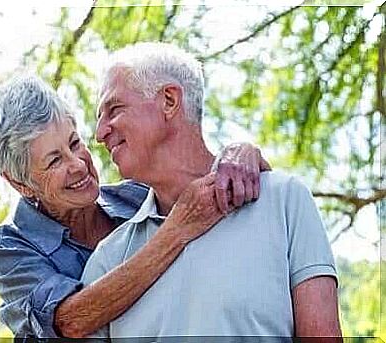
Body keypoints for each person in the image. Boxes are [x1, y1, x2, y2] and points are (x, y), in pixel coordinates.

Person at [0, 75, 270, 338]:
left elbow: (211, 193)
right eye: (54, 160)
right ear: (19, 183)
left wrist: (239, 155)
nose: (78, 165)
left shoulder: (136, 198)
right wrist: (177, 229)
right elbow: (71, 321)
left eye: (75, 143)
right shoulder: (7, 246)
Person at [82, 42, 342, 339]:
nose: (99, 133)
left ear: (169, 100)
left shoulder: (283, 201)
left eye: (114, 109)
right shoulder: (108, 260)